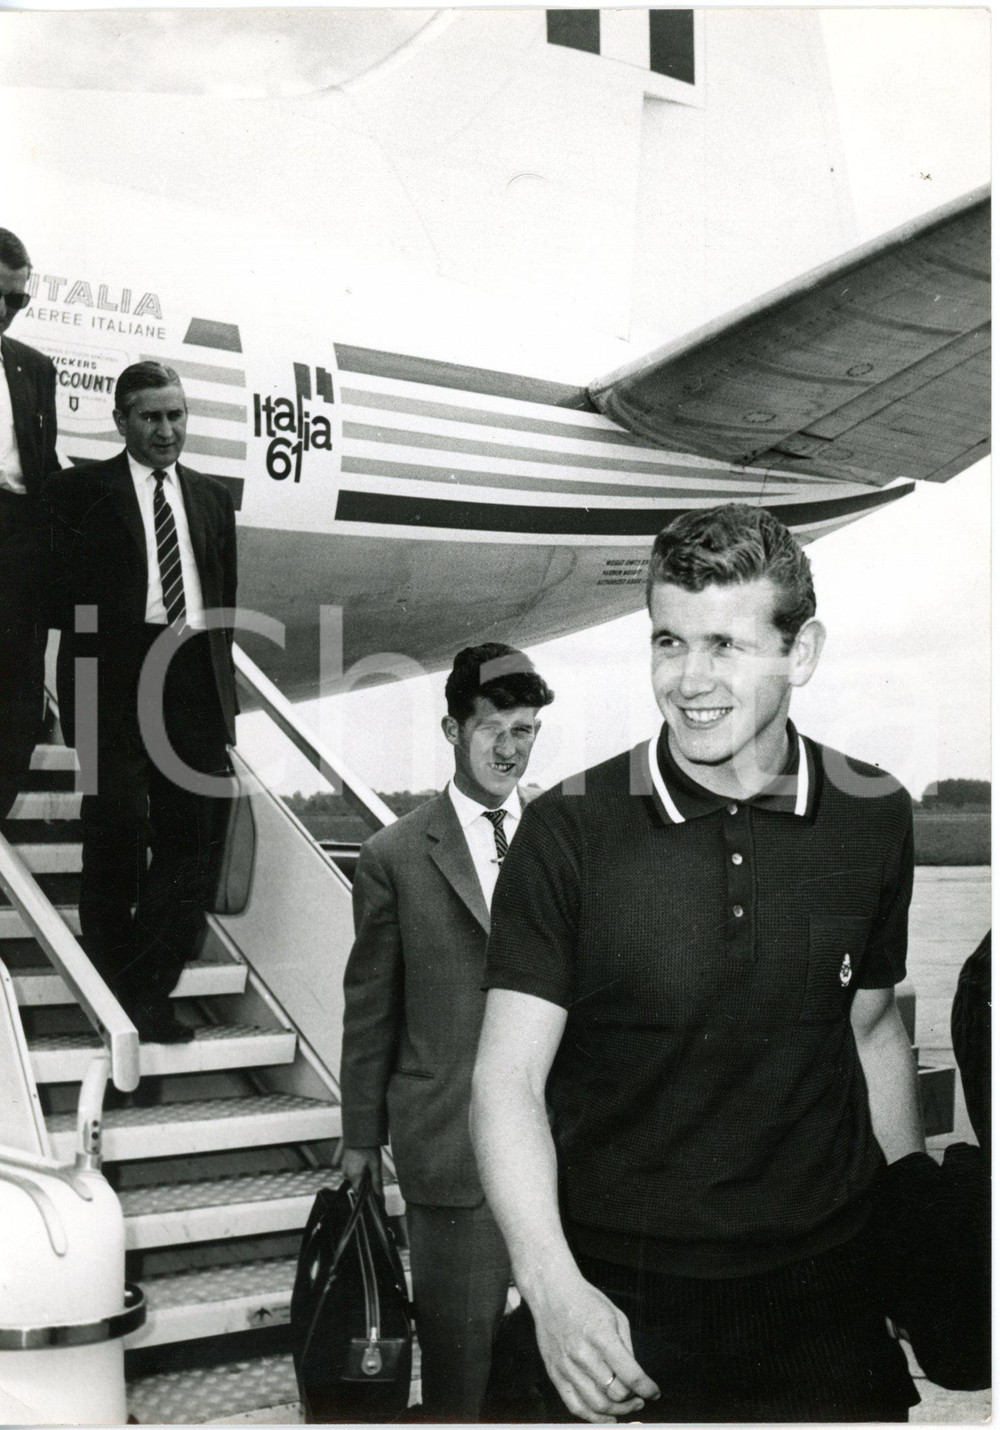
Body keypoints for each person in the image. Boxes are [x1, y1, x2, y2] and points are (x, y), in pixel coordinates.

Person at [472, 504, 924, 1424]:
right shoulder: (570, 830)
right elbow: (504, 1081)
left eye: (726, 644)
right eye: (668, 642)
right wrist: (551, 1288)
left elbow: (872, 1029)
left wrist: (911, 1236)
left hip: (821, 1306)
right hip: (617, 1305)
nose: (690, 680)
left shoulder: (875, 815)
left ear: (802, 653)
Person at [340, 642, 555, 1420]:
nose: (509, 747)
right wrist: (360, 1138)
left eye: (525, 729)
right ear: (452, 729)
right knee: (460, 1379)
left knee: (574, 1369)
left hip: (571, 1147)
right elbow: (370, 1011)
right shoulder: (392, 856)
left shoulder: (570, 838)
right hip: (451, 1153)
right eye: (492, 726)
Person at [48, 361, 238, 1044]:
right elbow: (57, 594)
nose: (167, 430)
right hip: (111, 673)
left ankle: (146, 990)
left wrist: (222, 700)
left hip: (190, 676)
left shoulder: (214, 500)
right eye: (152, 417)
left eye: (177, 415)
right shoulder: (81, 492)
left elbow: (223, 605)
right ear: (122, 421)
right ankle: (110, 984)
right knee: (119, 829)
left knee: (193, 841)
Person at [0, 228, 59, 822]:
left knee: (19, 707)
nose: (4, 313)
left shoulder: (32, 369)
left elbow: (44, 467)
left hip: (16, 539)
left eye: (16, 301)